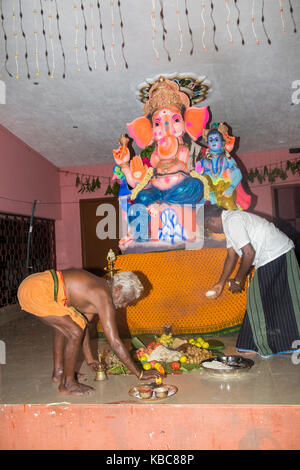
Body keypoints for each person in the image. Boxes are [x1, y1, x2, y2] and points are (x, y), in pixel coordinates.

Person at [17, 269, 161, 395]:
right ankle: (68, 384)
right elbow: (115, 342)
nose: (124, 305)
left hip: (34, 284)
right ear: (117, 289)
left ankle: (59, 372)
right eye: (125, 300)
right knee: (73, 333)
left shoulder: (98, 288)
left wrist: (90, 359)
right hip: (36, 291)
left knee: (68, 327)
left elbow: (83, 326)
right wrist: (139, 373)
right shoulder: (103, 296)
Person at [204, 204, 300, 358]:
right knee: (275, 301)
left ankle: (252, 344)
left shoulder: (232, 221)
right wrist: (220, 283)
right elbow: (231, 256)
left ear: (211, 221)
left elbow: (248, 253)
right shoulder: (230, 222)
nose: (208, 231)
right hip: (275, 254)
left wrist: (238, 280)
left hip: (277, 253)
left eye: (206, 228)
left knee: (258, 300)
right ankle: (276, 343)